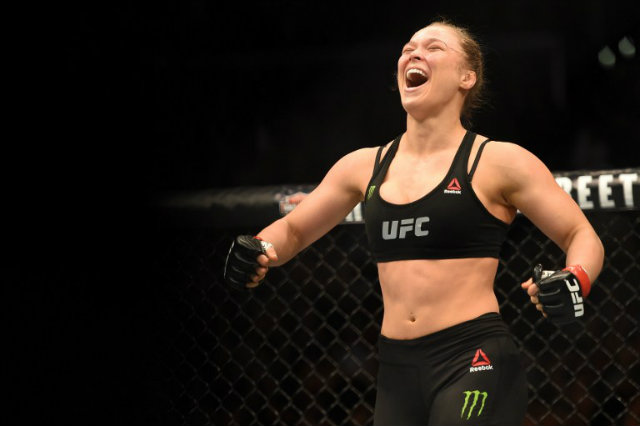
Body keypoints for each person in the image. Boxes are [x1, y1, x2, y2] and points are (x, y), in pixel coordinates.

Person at [224, 19, 604, 426]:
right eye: (408, 47)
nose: (413, 52)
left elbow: (580, 234)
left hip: (472, 358)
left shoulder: (497, 161)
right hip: (395, 370)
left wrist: (574, 277)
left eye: (433, 46)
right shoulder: (363, 165)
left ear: (466, 77)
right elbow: (294, 230)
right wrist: (259, 248)